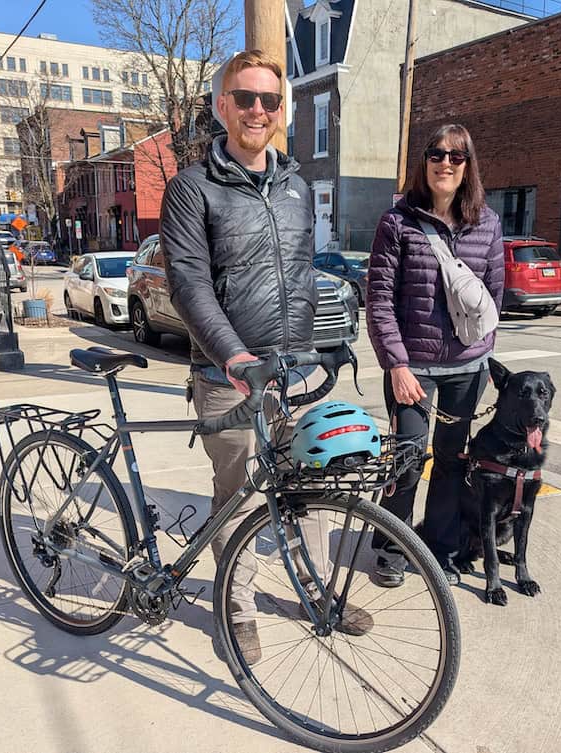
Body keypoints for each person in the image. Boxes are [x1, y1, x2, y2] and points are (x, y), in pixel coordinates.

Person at [159, 50, 371, 664]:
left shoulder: (297, 187)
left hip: (290, 367)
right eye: (245, 98)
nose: (258, 109)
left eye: (269, 100)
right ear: (223, 105)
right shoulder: (191, 188)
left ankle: (316, 591)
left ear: (282, 111)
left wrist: (323, 341)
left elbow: (300, 273)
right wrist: (232, 355)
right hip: (226, 373)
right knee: (240, 495)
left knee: (309, 483)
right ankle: (238, 606)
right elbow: (190, 285)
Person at [366, 123, 505, 586]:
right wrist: (397, 365)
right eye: (436, 154)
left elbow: (493, 296)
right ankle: (392, 547)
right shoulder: (398, 222)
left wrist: (484, 355)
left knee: (451, 460)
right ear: (423, 163)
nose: (445, 163)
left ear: (468, 167)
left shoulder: (486, 223)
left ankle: (439, 547)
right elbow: (380, 299)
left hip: (467, 368)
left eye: (457, 156)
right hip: (414, 368)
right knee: (407, 459)